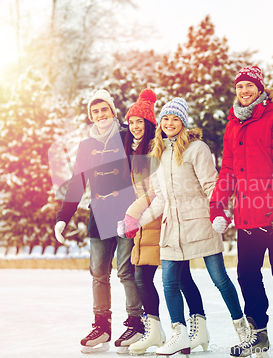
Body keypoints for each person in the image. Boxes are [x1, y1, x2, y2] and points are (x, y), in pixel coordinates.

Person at [133, 98, 250, 357]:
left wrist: (221, 212)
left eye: (175, 119)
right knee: (169, 282)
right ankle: (179, 335)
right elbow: (161, 197)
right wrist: (139, 219)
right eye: (166, 118)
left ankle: (243, 329)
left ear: (183, 122)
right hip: (172, 227)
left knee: (219, 279)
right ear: (160, 122)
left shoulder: (197, 148)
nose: (170, 123)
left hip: (201, 223)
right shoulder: (158, 153)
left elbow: (211, 185)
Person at [209, 65, 273, 358]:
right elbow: (227, 169)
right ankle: (258, 334)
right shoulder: (233, 125)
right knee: (247, 274)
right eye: (240, 87)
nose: (244, 91)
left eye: (249, 86)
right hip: (247, 214)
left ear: (259, 88)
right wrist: (218, 204)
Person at [54, 89, 144, 354]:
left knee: (127, 271)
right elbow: (76, 183)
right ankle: (102, 327)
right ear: (90, 116)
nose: (100, 115)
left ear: (113, 111)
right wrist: (63, 218)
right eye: (95, 111)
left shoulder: (128, 135)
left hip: (128, 214)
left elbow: (144, 170)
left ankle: (135, 325)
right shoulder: (86, 145)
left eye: (104, 109)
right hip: (99, 216)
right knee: (98, 274)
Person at [115, 88, 167, 354]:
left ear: (150, 123)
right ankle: (154, 330)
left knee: (146, 277)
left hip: (154, 219)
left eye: (140, 122)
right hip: (143, 221)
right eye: (131, 122)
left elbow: (152, 192)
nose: (135, 127)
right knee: (142, 278)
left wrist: (133, 213)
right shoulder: (135, 150)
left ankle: (157, 331)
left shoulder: (153, 150)